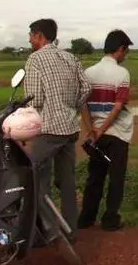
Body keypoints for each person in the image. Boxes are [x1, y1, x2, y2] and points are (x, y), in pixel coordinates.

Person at [24, 18, 91, 238]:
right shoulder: (71, 58)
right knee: (67, 182)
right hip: (70, 130)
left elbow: (34, 100)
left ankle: (50, 232)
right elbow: (86, 87)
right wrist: (72, 106)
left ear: (40, 36)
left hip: (47, 131)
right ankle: (70, 231)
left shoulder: (35, 59)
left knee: (36, 181)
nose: (30, 39)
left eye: (32, 35)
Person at [78, 29, 134, 231]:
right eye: (126, 51)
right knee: (116, 177)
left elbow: (82, 103)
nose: (126, 55)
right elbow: (118, 106)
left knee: (95, 176)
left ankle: (86, 218)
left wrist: (91, 129)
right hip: (117, 133)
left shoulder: (88, 73)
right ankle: (110, 220)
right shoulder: (122, 73)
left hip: (95, 135)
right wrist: (102, 129)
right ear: (120, 49)